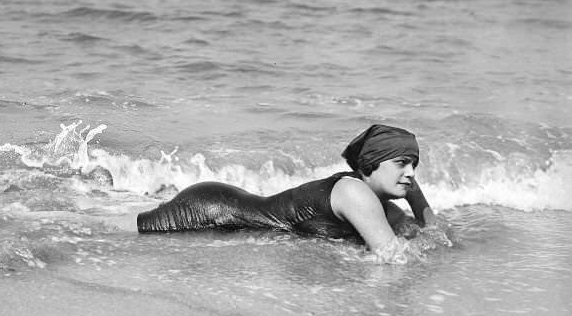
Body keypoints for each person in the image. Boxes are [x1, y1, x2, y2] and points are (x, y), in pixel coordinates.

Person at [136, 124, 447, 262]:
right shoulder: (355, 193)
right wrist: (415, 199)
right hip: (213, 211)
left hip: (226, 210)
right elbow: (395, 258)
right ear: (372, 164)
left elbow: (439, 238)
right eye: (402, 163)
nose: (411, 173)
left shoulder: (380, 206)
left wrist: (414, 198)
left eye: (415, 165)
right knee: (116, 230)